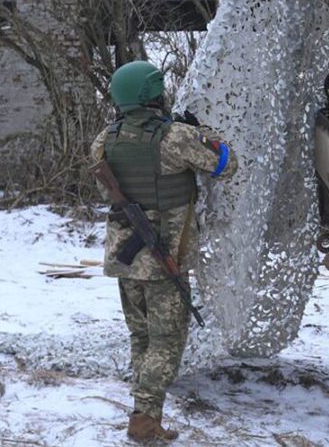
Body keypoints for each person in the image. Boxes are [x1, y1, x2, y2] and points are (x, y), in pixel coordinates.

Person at [91, 60, 237, 443]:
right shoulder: (176, 138)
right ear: (154, 95)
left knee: (140, 337)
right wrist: (202, 133)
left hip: (124, 256)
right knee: (167, 342)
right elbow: (226, 164)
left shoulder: (104, 139)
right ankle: (144, 417)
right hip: (162, 259)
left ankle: (145, 414)